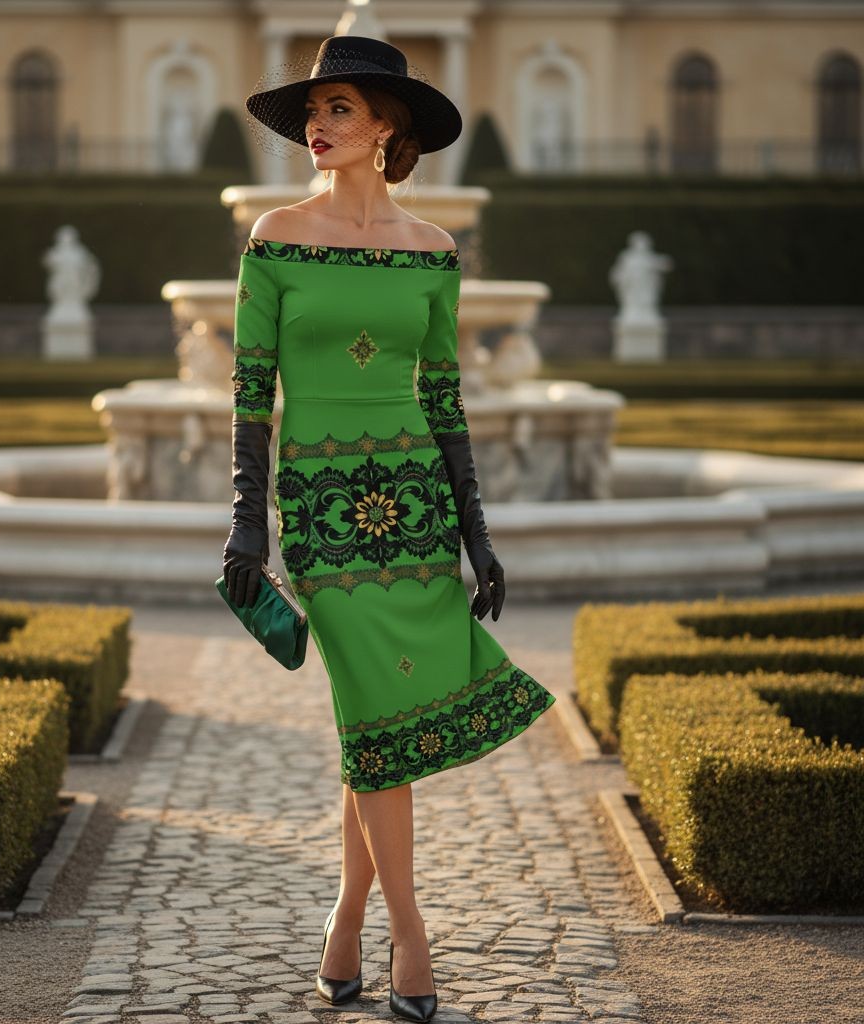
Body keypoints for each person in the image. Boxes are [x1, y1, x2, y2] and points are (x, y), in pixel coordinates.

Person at [223, 35, 556, 1023]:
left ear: (385, 127)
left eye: (337, 108)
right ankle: (412, 933)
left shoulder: (432, 252)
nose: (316, 127)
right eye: (311, 111)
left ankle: (345, 920)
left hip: (414, 508)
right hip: (321, 512)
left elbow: (445, 399)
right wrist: (247, 525)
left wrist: (476, 534)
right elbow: (250, 392)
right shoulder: (275, 237)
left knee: (375, 727)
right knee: (374, 714)